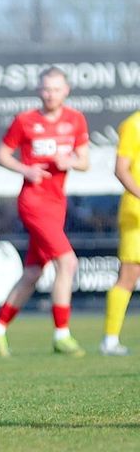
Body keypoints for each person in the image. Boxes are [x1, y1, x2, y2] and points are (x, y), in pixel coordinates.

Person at [0, 67, 90, 357]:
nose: (50, 94)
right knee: (67, 263)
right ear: (38, 90)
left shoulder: (75, 120)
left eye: (56, 89)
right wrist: (25, 169)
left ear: (66, 90)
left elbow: (85, 162)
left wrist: (69, 160)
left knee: (32, 272)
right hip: (33, 202)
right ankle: (62, 334)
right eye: (45, 89)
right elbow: (1, 154)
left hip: (57, 204)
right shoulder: (26, 120)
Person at [100, 110, 140, 355]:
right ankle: (110, 340)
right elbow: (121, 168)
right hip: (136, 214)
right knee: (129, 274)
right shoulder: (134, 125)